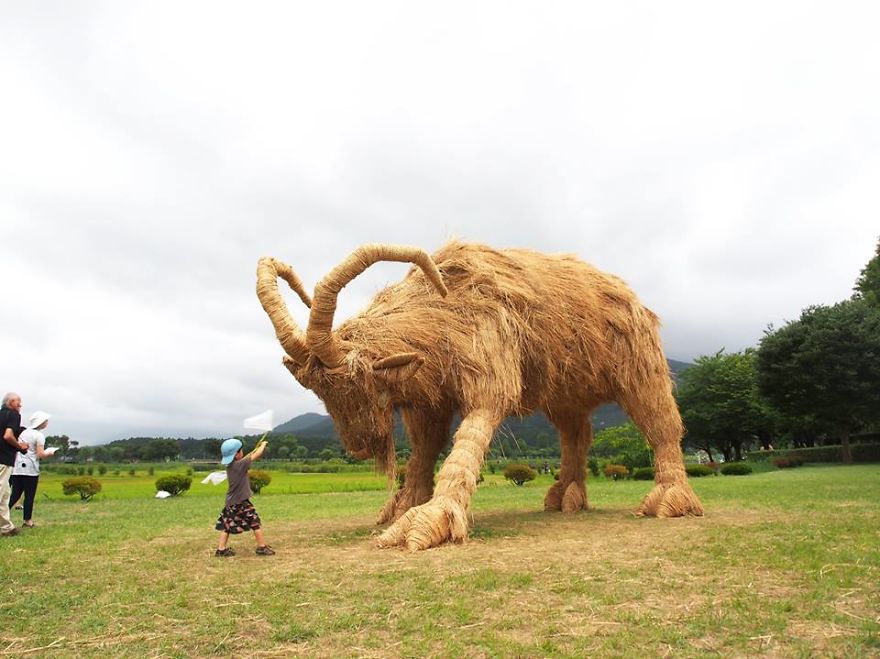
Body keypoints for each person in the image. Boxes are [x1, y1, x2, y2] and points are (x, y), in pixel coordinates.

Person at [214, 438, 275, 557]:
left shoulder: (231, 465)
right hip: (241, 502)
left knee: (226, 525)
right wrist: (263, 445)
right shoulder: (240, 464)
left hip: (231, 502)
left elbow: (247, 457)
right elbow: (256, 454)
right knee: (255, 522)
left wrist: (251, 452)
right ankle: (261, 547)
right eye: (241, 450)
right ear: (236, 454)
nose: (243, 452)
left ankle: (221, 549)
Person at [10, 410, 54, 528]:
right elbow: (40, 454)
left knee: (14, 494)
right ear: (41, 423)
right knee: (29, 496)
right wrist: (49, 453)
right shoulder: (39, 435)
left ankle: (3, 515)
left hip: (17, 468)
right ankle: (27, 520)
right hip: (31, 470)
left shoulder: (23, 433)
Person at [0, 393, 28, 537]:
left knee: (5, 493)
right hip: (4, 459)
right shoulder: (14, 415)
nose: (20, 405)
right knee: (1, 492)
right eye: (19, 402)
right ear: (11, 402)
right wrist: (20, 446)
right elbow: (8, 435)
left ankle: (6, 528)